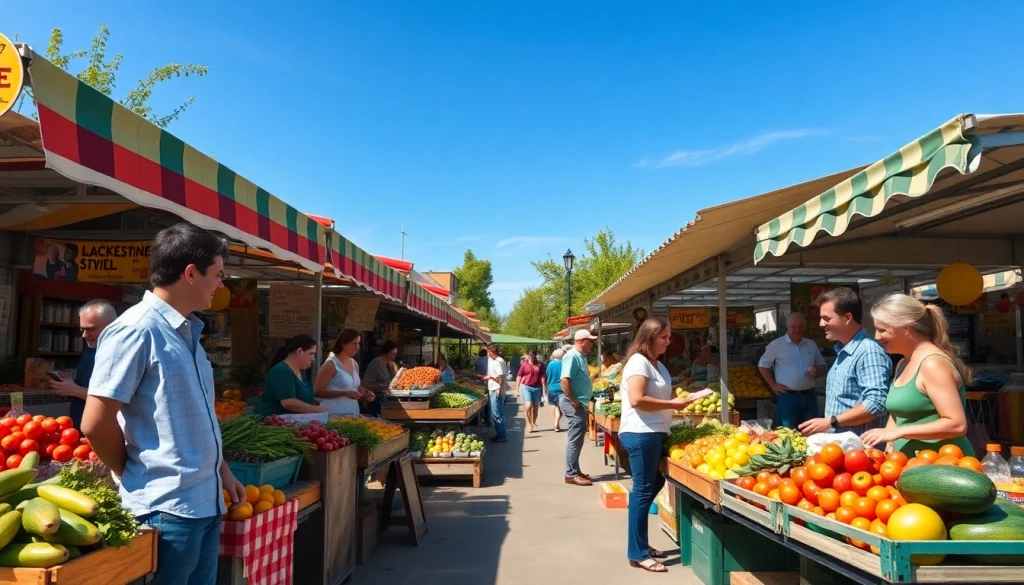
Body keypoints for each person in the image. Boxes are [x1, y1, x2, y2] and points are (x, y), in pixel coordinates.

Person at [83, 223, 245, 585]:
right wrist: (132, 472)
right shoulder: (136, 330)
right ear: (191, 274)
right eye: (217, 275)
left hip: (205, 502)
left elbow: (194, 418)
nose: (221, 285)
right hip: (167, 510)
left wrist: (223, 471)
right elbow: (95, 422)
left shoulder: (189, 332)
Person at [620, 317, 709, 572]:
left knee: (654, 484)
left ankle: (640, 544)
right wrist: (673, 405)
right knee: (643, 490)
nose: (669, 342)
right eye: (664, 337)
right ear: (649, 337)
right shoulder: (638, 362)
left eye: (669, 337)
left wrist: (684, 397)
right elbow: (637, 399)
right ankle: (637, 552)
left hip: (655, 432)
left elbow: (657, 396)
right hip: (641, 433)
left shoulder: (656, 364)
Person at [860, 294, 973, 457]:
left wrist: (898, 432)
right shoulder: (903, 364)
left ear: (906, 328)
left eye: (882, 330)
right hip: (910, 467)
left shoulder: (932, 364)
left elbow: (956, 425)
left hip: (944, 466)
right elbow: (897, 413)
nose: (877, 337)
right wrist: (890, 444)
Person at [799, 287, 892, 436]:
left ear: (847, 318)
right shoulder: (844, 351)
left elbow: (876, 403)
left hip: (860, 452)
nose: (821, 324)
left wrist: (831, 421)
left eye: (826, 318)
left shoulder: (868, 351)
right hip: (842, 448)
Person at [49, 300, 117, 429]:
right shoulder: (91, 348)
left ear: (112, 326)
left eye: (91, 329)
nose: (84, 335)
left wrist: (75, 390)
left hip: (104, 433)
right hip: (79, 427)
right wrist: (69, 383)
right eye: (82, 329)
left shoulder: (121, 354)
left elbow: (115, 400)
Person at [758, 313, 827, 429]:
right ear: (787, 327)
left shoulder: (811, 344)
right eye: (793, 327)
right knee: (787, 432)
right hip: (787, 397)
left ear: (805, 327)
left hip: (809, 396)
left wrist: (817, 371)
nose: (797, 329)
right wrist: (773, 385)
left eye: (800, 326)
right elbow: (762, 366)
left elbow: (823, 367)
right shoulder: (776, 345)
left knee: (812, 431)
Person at [561, 329, 598, 486]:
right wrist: (574, 400)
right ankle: (571, 474)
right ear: (582, 341)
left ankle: (575, 470)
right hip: (573, 404)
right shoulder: (572, 356)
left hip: (578, 403)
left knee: (578, 439)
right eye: (590, 341)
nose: (592, 344)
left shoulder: (580, 356)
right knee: (575, 440)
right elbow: (564, 380)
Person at [259, 335, 329, 416]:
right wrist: (318, 409)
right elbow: (288, 403)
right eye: (311, 354)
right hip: (275, 423)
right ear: (299, 351)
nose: (313, 359)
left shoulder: (301, 371)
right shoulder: (281, 371)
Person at [314, 329, 371, 417]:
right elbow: (317, 391)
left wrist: (366, 393)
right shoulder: (330, 364)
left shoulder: (354, 363)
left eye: (358, 343)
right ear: (343, 343)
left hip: (352, 411)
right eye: (354, 343)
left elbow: (356, 386)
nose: (357, 347)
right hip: (333, 412)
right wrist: (344, 393)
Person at [478, 344, 508, 443]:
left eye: (488, 352)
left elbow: (500, 377)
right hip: (496, 388)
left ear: (492, 352)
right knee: (497, 413)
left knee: (496, 413)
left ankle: (502, 435)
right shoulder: (500, 360)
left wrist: (491, 378)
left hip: (495, 389)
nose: (488, 354)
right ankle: (501, 434)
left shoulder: (498, 362)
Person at [362, 341, 398, 417]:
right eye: (392, 354)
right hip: (375, 401)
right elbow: (366, 383)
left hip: (384, 400)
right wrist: (383, 386)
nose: (394, 356)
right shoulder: (375, 364)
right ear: (385, 353)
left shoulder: (388, 364)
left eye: (395, 354)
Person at [516, 350, 545, 433]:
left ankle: (533, 422)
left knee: (535, 407)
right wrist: (517, 390)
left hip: (537, 388)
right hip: (526, 387)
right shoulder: (524, 365)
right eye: (530, 355)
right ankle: (529, 424)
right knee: (528, 405)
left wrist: (544, 388)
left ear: (535, 356)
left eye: (533, 355)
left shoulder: (539, 365)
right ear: (528, 356)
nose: (531, 357)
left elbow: (542, 377)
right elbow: (519, 377)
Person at [545, 347, 567, 431]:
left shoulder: (550, 364)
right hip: (561, 388)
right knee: (559, 407)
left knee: (553, 405)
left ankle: (555, 423)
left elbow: (547, 375)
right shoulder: (564, 364)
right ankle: (556, 423)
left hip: (551, 388)